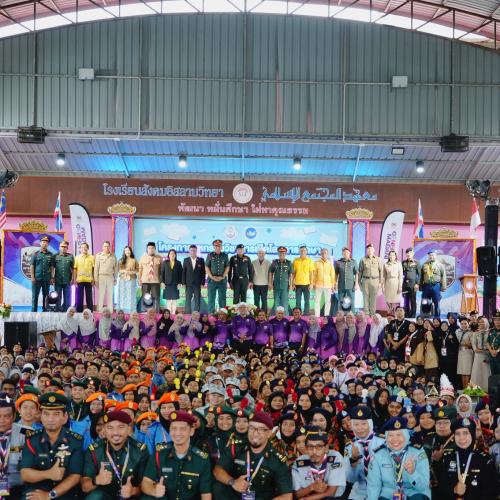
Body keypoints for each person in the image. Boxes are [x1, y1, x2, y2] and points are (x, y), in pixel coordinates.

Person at [213, 411, 293, 500]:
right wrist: (233, 482)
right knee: (218, 487)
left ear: (269, 433)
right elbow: (217, 470)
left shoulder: (277, 459)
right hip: (237, 495)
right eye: (251, 428)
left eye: (261, 429)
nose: (255, 433)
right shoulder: (236, 447)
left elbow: (287, 496)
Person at [20, 392, 83, 499]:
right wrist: (49, 474)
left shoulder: (75, 441)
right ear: (41, 416)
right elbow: (25, 474)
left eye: (56, 414)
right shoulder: (32, 439)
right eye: (46, 414)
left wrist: (50, 495)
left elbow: (75, 476)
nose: (50, 419)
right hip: (37, 490)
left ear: (65, 417)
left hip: (64, 493)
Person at [141, 410, 212, 499]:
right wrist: (154, 491)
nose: (177, 433)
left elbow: (206, 494)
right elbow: (146, 482)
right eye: (174, 428)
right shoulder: (159, 453)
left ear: (191, 431)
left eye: (182, 429)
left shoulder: (202, 459)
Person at [82, 409, 149, 499]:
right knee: (95, 497)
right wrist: (96, 480)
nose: (115, 432)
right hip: (104, 496)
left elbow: (146, 485)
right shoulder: (94, 450)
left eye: (121, 427)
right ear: (104, 429)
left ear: (129, 428)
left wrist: (133, 491)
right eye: (110, 428)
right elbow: (85, 487)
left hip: (131, 497)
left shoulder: (140, 450)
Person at [367, 417, 431, 500]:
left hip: (414, 492)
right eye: (390, 435)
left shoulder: (418, 452)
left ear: (406, 435)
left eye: (399, 434)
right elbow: (374, 485)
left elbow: (423, 487)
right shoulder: (379, 454)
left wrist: (412, 473)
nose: (395, 439)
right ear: (386, 437)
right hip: (389, 494)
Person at [438, 417, 497, 499]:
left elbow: (492, 492)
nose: (461, 438)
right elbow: (441, 489)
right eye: (457, 434)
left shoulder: (485, 459)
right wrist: (454, 490)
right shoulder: (447, 458)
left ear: (472, 434)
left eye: (465, 433)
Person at [292, 427, 346, 498]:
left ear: (326, 448)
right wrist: (311, 487)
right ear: (306, 448)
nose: (314, 452)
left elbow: (331, 492)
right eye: (310, 447)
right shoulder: (298, 463)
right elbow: (296, 494)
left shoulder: (335, 457)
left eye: (319, 447)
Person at [31, 235, 54, 312]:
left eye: (46, 242)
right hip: (37, 279)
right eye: (43, 242)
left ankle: (45, 309)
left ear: (48, 244)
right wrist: (32, 277)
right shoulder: (35, 254)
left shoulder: (51, 255)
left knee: (46, 296)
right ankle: (34, 310)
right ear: (40, 243)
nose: (44, 243)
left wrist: (52, 277)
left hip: (46, 279)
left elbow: (52, 267)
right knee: (35, 296)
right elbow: (32, 266)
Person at [205, 239, 230, 313]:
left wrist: (223, 276)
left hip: (222, 280)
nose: (218, 247)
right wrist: (211, 277)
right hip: (211, 281)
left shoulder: (225, 255)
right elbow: (206, 267)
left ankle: (223, 314)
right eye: (216, 245)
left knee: (222, 299)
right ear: (214, 247)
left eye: (219, 245)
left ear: (221, 247)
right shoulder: (210, 255)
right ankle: (211, 315)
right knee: (211, 299)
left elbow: (227, 267)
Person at [359, 244, 383, 316]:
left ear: (374, 250)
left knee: (373, 298)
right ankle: (366, 314)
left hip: (375, 280)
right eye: (368, 249)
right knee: (365, 298)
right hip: (365, 280)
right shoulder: (363, 259)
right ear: (366, 250)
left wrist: (380, 282)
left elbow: (381, 271)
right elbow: (360, 271)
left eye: (371, 249)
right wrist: (359, 282)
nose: (370, 250)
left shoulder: (378, 259)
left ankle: (372, 314)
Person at [420, 250, 446, 317]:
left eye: (433, 255)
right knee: (425, 302)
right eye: (430, 255)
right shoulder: (424, 265)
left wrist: (443, 287)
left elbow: (443, 276)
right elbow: (421, 276)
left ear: (436, 256)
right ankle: (426, 316)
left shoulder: (440, 265)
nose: (431, 256)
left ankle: (437, 317)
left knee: (436, 302)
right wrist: (420, 286)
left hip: (436, 286)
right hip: (426, 286)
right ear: (428, 256)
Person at [94, 241, 118, 312]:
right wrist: (96, 279)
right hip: (101, 277)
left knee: (110, 294)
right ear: (102, 247)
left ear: (109, 247)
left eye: (107, 246)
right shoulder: (98, 255)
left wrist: (115, 278)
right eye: (105, 246)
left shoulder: (113, 256)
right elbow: (96, 268)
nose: (106, 247)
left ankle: (110, 310)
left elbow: (116, 268)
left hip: (110, 277)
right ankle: (99, 310)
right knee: (101, 294)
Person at [138, 242, 162, 313]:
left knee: (156, 298)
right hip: (145, 281)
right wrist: (139, 279)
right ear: (147, 249)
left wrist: (161, 281)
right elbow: (140, 269)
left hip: (155, 281)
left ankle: (157, 314)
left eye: (152, 248)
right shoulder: (143, 257)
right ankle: (145, 314)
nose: (151, 250)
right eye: (149, 248)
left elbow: (161, 270)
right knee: (146, 298)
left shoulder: (159, 257)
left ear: (155, 249)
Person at [182, 244, 206, 314]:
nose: (193, 252)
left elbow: (203, 272)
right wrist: (183, 283)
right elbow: (184, 272)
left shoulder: (201, 260)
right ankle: (187, 313)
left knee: (197, 299)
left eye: (194, 250)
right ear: (189, 251)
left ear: (196, 251)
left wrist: (202, 282)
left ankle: (196, 314)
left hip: (197, 284)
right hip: (188, 284)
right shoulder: (186, 260)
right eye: (191, 250)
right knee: (188, 300)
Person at [334, 247, 359, 314]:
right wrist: (335, 283)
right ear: (342, 254)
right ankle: (341, 315)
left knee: (351, 300)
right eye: (344, 253)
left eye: (347, 252)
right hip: (341, 285)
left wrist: (356, 284)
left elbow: (356, 273)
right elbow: (336, 274)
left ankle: (351, 315)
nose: (345, 254)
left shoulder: (353, 262)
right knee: (341, 300)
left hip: (351, 285)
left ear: (349, 253)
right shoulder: (338, 262)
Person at [470, 316, 492, 390]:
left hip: (487, 354)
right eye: (479, 322)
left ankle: (487, 389)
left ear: (486, 323)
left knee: (486, 372)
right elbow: (473, 343)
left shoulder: (490, 332)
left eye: (483, 322)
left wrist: (487, 351)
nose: (481, 323)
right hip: (478, 355)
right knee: (477, 371)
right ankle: (476, 389)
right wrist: (475, 349)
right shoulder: (475, 333)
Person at [269, 246, 293, 313]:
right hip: (276, 286)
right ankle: (275, 316)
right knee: (276, 302)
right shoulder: (274, 262)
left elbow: (291, 274)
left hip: (285, 286)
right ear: (278, 254)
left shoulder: (289, 263)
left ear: (285, 254)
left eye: (283, 253)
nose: (281, 254)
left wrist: (291, 285)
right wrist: (270, 283)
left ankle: (286, 317)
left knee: (285, 303)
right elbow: (270, 272)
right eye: (280, 253)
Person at [292, 245, 315, 315]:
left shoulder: (310, 260)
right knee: (298, 302)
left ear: (306, 252)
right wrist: (293, 284)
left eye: (304, 251)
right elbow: (293, 273)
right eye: (301, 251)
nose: (302, 252)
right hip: (297, 284)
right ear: (299, 252)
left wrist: (311, 284)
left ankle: (306, 314)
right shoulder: (295, 260)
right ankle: (297, 314)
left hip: (307, 284)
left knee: (307, 301)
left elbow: (311, 273)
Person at [314, 248, 336, 318]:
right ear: (321, 254)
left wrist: (333, 285)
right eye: (322, 253)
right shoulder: (316, 263)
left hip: (328, 285)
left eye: (325, 253)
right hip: (318, 285)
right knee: (317, 301)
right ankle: (317, 316)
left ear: (327, 254)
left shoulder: (330, 264)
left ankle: (326, 316)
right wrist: (314, 283)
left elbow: (332, 275)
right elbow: (314, 274)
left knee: (328, 301)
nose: (324, 254)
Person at [74, 242, 95, 313]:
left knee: (89, 297)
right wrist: (75, 279)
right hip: (80, 280)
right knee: (79, 297)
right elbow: (75, 269)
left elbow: (93, 269)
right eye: (82, 247)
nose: (84, 249)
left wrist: (93, 279)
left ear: (88, 248)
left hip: (89, 280)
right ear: (80, 249)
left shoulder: (92, 257)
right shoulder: (77, 257)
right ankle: (79, 312)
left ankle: (90, 312)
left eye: (85, 247)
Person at [53, 240, 74, 312]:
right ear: (59, 247)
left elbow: (73, 268)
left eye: (65, 247)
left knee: (67, 297)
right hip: (58, 280)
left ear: (67, 248)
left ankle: (66, 311)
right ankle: (57, 310)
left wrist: (73, 278)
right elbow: (52, 267)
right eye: (62, 246)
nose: (63, 248)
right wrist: (52, 277)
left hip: (67, 280)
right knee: (57, 296)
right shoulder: (55, 256)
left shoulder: (70, 256)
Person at [117, 245, 139, 313]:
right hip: (122, 279)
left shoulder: (134, 260)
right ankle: (121, 310)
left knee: (131, 294)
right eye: (126, 250)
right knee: (122, 294)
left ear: (131, 251)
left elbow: (137, 270)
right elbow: (118, 270)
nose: (127, 252)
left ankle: (132, 310)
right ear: (124, 252)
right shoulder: (121, 260)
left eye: (128, 250)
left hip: (131, 279)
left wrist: (130, 272)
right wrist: (124, 271)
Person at [160, 249, 183, 314]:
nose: (172, 254)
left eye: (173, 253)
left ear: (175, 255)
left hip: (175, 284)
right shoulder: (165, 262)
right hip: (167, 284)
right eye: (171, 253)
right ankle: (168, 314)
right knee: (168, 300)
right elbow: (162, 273)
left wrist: (180, 283)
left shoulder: (178, 263)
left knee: (174, 300)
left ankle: (173, 314)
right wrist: (162, 282)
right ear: (168, 255)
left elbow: (181, 274)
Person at [401, 248, 421, 318]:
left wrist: (417, 284)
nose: (408, 254)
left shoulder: (416, 262)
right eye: (407, 253)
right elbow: (401, 273)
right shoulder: (403, 262)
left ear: (413, 253)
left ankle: (413, 314)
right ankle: (406, 314)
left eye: (410, 252)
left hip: (413, 284)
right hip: (405, 284)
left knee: (413, 300)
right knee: (406, 300)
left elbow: (419, 274)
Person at [383, 250, 403, 315]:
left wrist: (400, 286)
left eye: (393, 255)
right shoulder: (385, 264)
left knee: (395, 299)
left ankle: (394, 313)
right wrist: (383, 286)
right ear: (388, 256)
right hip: (388, 283)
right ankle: (390, 310)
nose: (391, 256)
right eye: (390, 255)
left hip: (396, 282)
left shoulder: (398, 264)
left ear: (395, 256)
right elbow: (384, 276)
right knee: (388, 299)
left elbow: (400, 276)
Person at [456, 317, 474, 388]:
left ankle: (467, 389)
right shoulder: (458, 332)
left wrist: (468, 344)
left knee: (467, 372)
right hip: (461, 353)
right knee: (462, 372)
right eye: (462, 324)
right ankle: (464, 389)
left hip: (468, 353)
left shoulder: (471, 332)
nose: (463, 325)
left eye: (465, 323)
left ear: (468, 324)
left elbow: (473, 344)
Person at [252, 248, 271, 313]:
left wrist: (270, 283)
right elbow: (251, 273)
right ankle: (256, 314)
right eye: (259, 253)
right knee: (256, 301)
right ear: (257, 254)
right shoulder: (253, 262)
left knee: (264, 300)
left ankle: (264, 314)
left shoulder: (268, 263)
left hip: (265, 284)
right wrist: (251, 282)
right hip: (256, 284)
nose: (261, 254)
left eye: (262, 253)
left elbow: (270, 274)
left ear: (264, 254)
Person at [487, 310, 500, 376]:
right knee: (494, 375)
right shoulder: (491, 330)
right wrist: (491, 351)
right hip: (492, 356)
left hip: (499, 355)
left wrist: (497, 351)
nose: (497, 321)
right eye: (495, 320)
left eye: (499, 320)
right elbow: (487, 342)